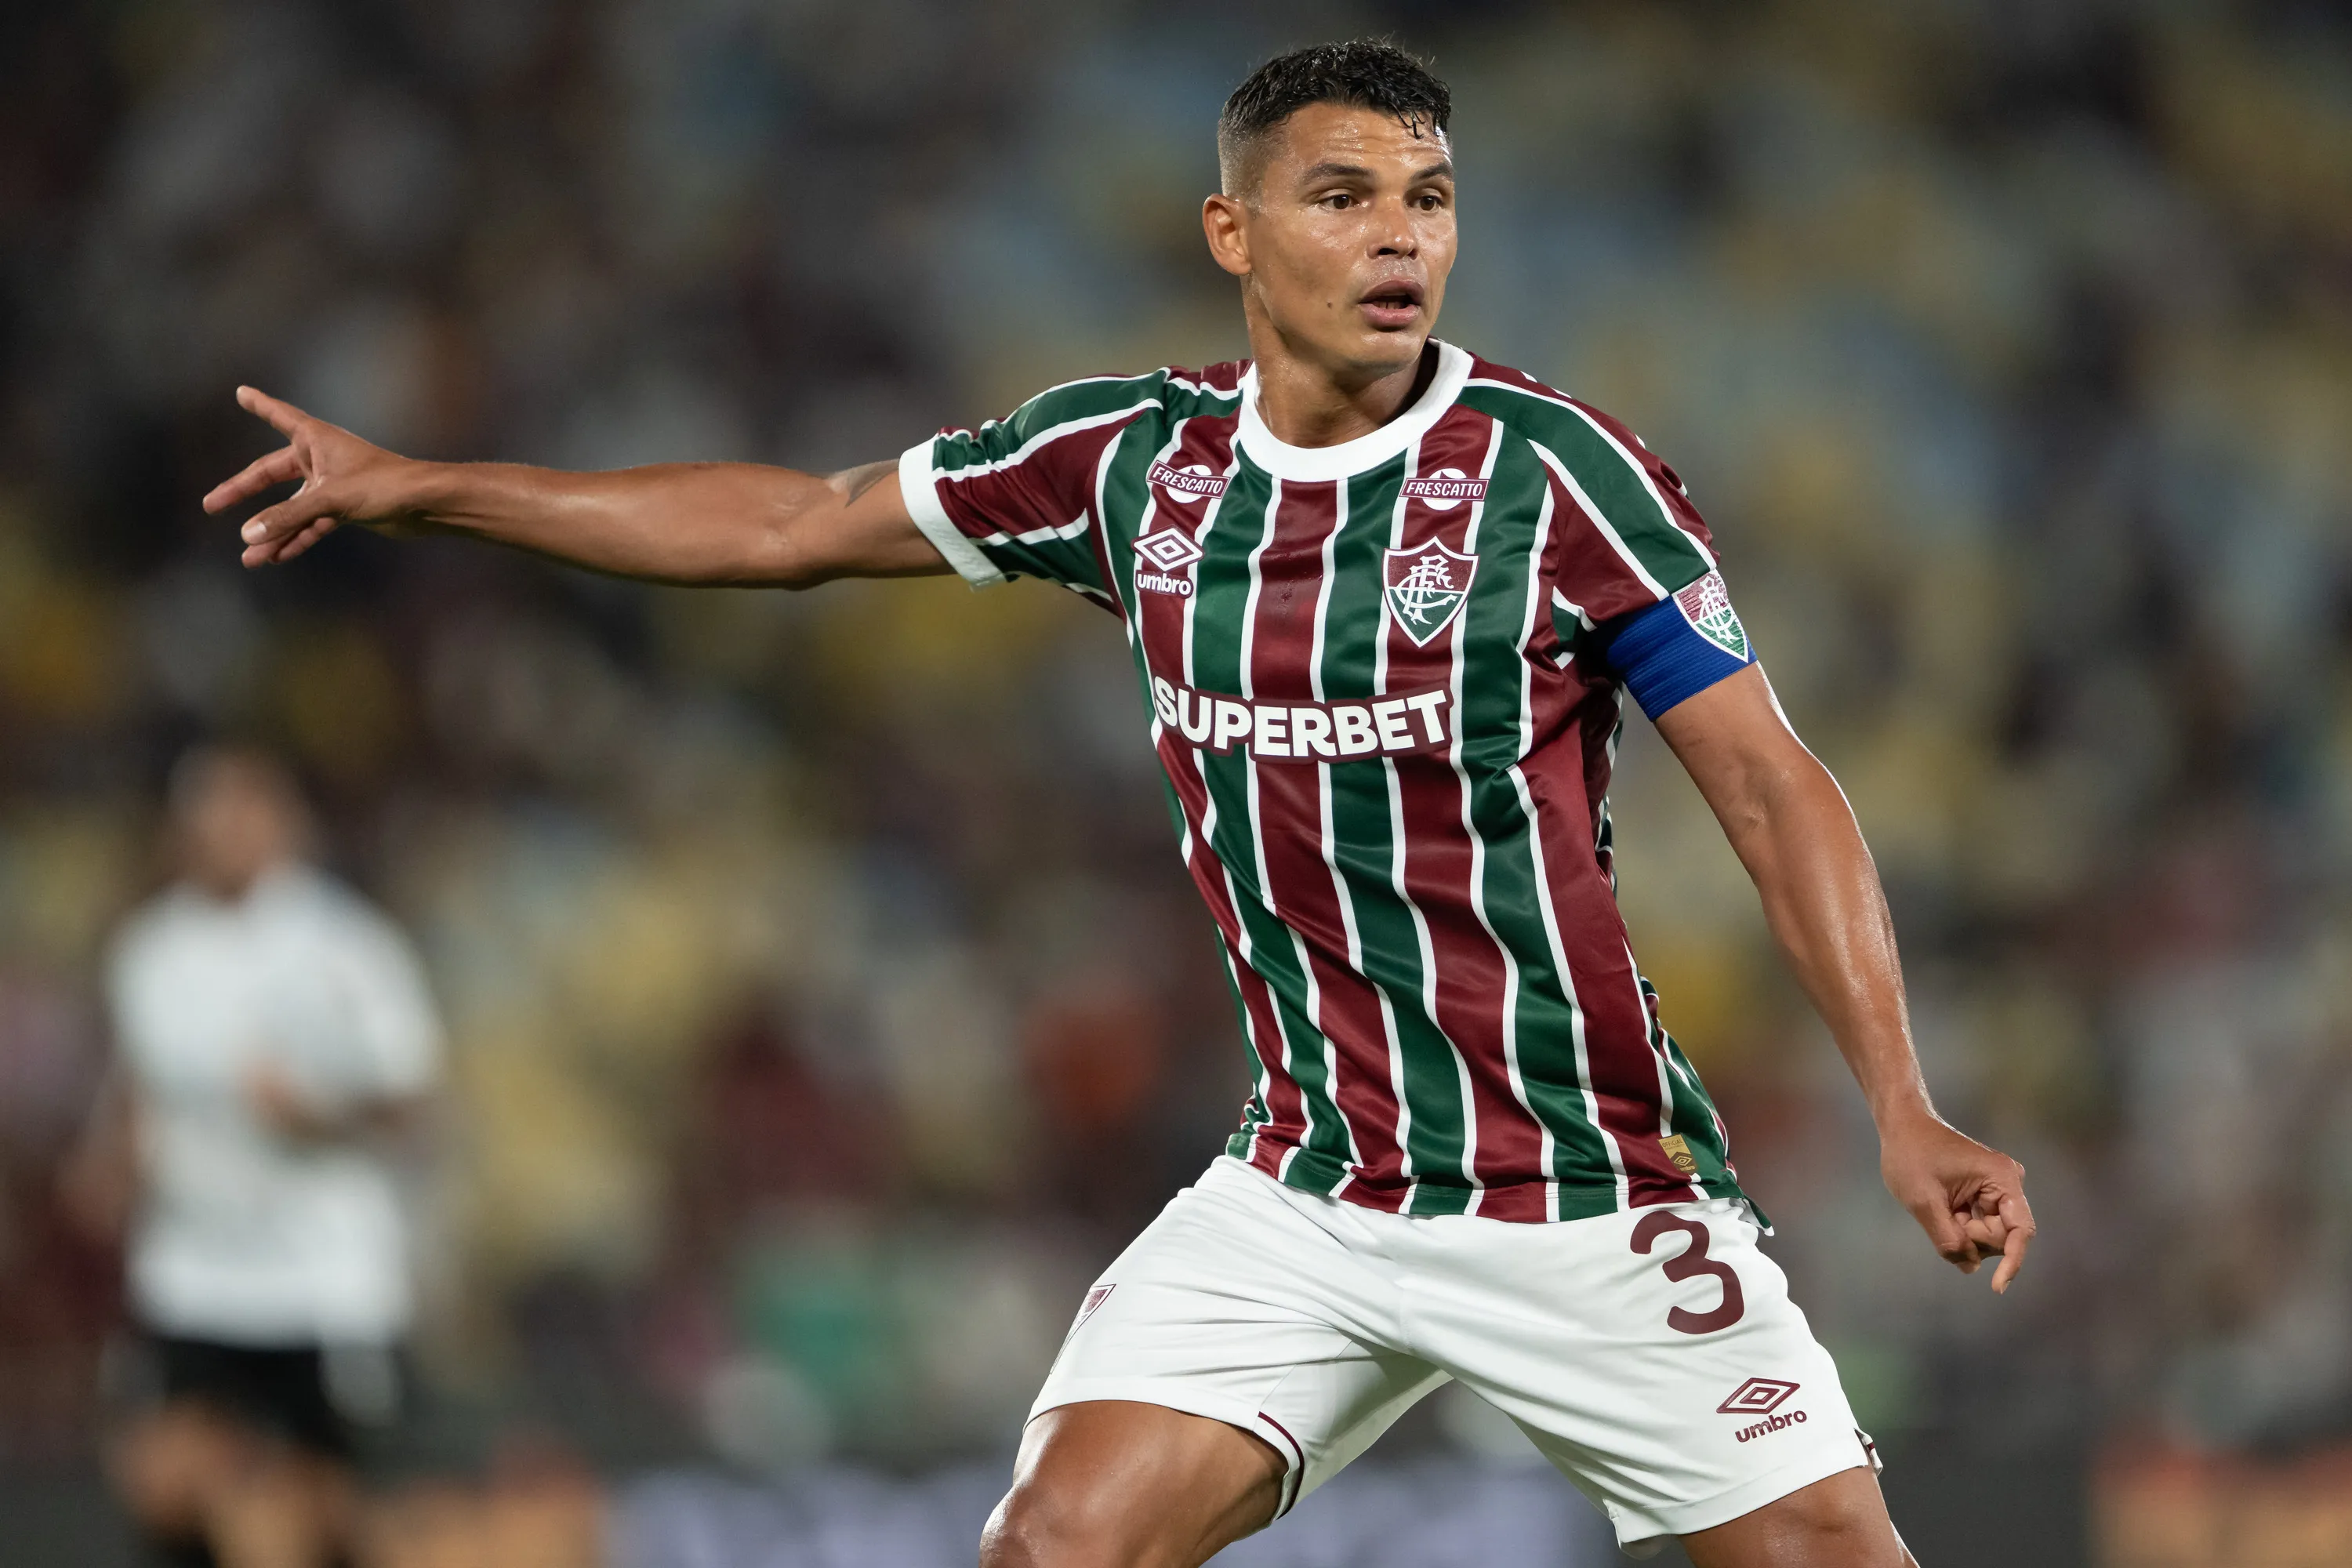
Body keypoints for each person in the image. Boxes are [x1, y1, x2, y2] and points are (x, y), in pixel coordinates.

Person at [205, 40, 2034, 1568]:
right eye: (1344, 197)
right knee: (1050, 1545)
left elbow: (1774, 787)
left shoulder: (1560, 480)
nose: (1399, 238)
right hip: (1308, 1184)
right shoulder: (1130, 463)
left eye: (1428, 197)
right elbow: (784, 525)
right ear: (1232, 231)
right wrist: (421, 483)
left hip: (1577, 1186)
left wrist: (1898, 1095)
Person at [75, 746, 441, 1568]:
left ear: (285, 823)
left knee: (322, 1515)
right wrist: (114, 1159)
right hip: (192, 1268)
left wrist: (320, 1117)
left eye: (242, 811)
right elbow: (143, 1081)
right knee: (163, 1481)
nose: (222, 831)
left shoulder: (346, 946)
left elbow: (414, 1102)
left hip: (317, 1276)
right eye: (206, 812)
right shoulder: (150, 949)